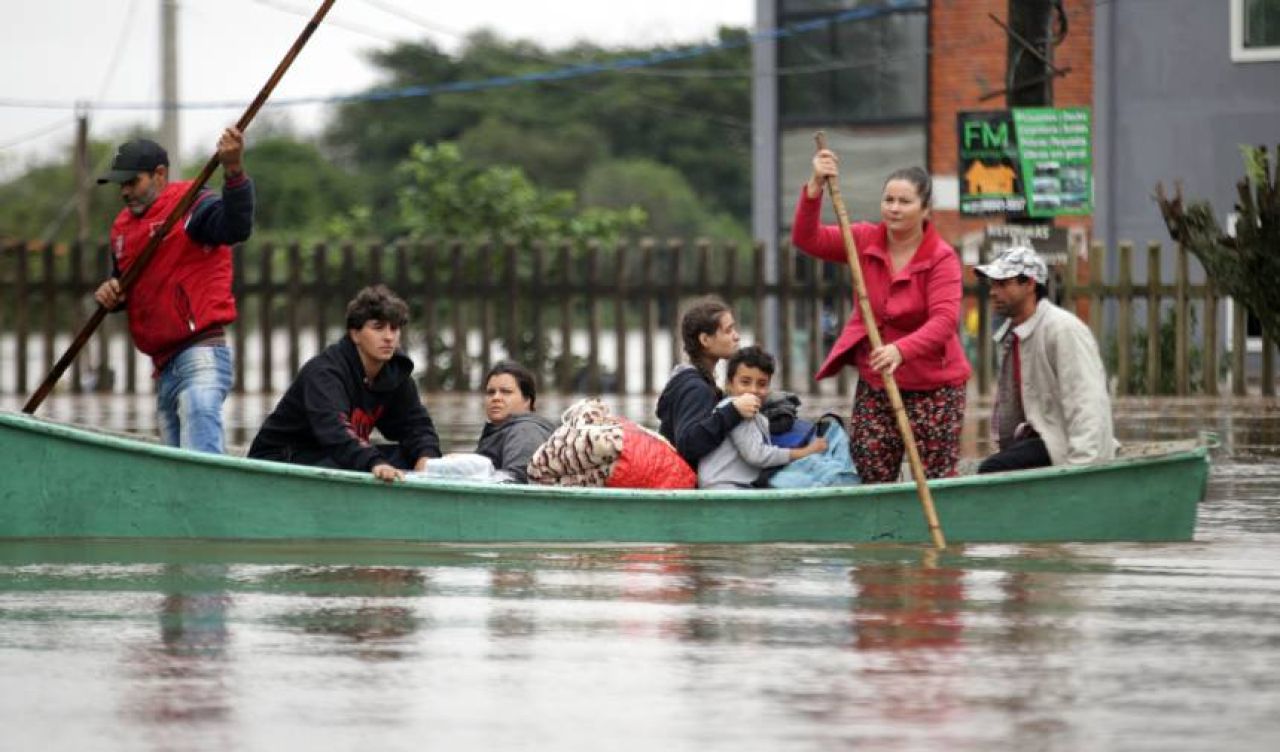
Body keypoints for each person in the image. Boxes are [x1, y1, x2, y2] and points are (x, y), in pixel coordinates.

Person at [792, 151, 971, 483]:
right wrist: (815, 185)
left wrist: (900, 350)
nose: (894, 208)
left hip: (935, 387)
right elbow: (807, 238)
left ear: (925, 210)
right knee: (869, 469)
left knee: (936, 479)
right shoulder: (861, 239)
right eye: (888, 200)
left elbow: (945, 321)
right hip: (877, 382)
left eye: (904, 201)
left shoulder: (941, 258)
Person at [93, 131, 254, 454]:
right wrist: (111, 295)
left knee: (199, 461)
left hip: (200, 355)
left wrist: (234, 170)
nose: (124, 192)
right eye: (120, 185)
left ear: (160, 175)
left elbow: (237, 228)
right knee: (176, 473)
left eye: (132, 182)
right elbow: (124, 283)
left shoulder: (192, 206)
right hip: (163, 368)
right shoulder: (122, 228)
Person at [248, 285, 442, 482]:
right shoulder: (325, 373)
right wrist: (375, 463)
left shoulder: (395, 373)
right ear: (355, 334)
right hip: (283, 459)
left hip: (334, 456)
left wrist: (426, 458)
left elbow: (416, 424)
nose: (388, 337)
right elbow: (334, 431)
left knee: (409, 456)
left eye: (394, 328)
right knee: (364, 463)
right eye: (378, 327)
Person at [974, 245, 1116, 473]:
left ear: (1029, 284)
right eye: (992, 284)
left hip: (1065, 447)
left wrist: (1084, 468)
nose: (993, 291)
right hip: (1040, 440)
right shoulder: (1014, 335)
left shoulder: (1062, 330)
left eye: (1002, 283)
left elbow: (1086, 401)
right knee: (996, 465)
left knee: (992, 469)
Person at [698, 346, 828, 490]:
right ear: (729, 384)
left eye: (762, 384)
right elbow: (757, 455)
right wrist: (805, 452)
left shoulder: (751, 412)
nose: (753, 390)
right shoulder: (738, 409)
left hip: (730, 484)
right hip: (723, 487)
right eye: (745, 382)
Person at [656, 298, 750, 468]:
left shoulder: (697, 381)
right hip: (684, 486)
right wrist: (733, 411)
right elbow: (688, 445)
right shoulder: (696, 388)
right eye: (728, 331)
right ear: (705, 340)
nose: (737, 336)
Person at [475, 360, 556, 483]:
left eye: (506, 392)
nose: (496, 398)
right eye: (491, 392)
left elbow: (517, 481)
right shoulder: (504, 430)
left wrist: (468, 468)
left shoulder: (526, 431)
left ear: (527, 400)